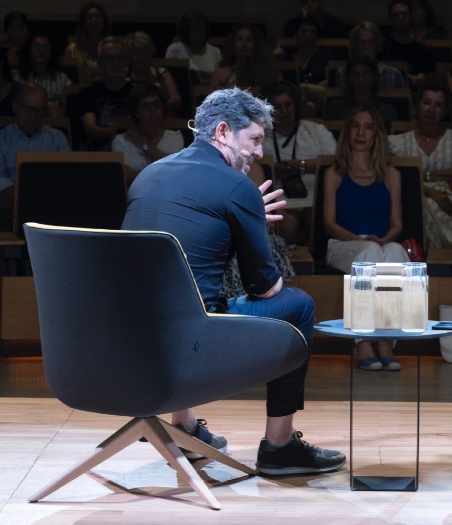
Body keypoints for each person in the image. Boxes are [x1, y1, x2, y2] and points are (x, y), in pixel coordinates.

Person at [122, 86, 346, 476]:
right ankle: (278, 446)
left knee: (184, 299)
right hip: (192, 348)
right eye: (255, 140)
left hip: (127, 348)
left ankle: (185, 428)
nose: (260, 153)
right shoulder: (236, 187)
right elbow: (266, 289)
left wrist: (243, 211)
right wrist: (250, 215)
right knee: (298, 305)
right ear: (223, 132)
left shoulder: (148, 174)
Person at [322, 104, 409, 371]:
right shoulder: (335, 173)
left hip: (379, 243)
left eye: (368, 127)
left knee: (395, 252)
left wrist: (382, 240)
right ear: (348, 132)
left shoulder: (391, 175)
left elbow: (397, 225)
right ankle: (362, 341)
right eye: (356, 126)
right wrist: (361, 241)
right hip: (342, 244)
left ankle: (385, 339)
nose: (361, 132)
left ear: (376, 134)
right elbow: (329, 224)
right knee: (370, 255)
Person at [388, 77, 452, 249]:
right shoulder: (398, 142)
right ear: (417, 106)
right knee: (423, 204)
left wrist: (424, 175)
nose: (431, 109)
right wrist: (429, 191)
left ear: (445, 110)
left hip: (449, 197)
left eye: (438, 105)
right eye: (427, 102)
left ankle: (449, 258)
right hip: (413, 195)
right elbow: (398, 176)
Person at [257, 80, 336, 245]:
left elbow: (335, 164)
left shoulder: (316, 131)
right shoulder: (260, 137)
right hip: (281, 198)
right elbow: (253, 169)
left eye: (288, 104)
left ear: (296, 105)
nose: (284, 111)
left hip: (315, 197)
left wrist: (300, 165)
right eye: (278, 107)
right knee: (285, 224)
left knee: (317, 219)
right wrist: (275, 171)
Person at [0, 83, 69, 232]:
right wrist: (25, 200)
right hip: (13, 200)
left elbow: (67, 174)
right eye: (27, 110)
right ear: (16, 107)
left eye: (38, 111)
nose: (33, 116)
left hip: (52, 199)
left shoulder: (57, 138)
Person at [111, 82, 183, 184]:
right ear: (136, 112)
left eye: (156, 104)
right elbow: (125, 176)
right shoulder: (122, 141)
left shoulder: (175, 137)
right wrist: (164, 172)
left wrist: (145, 146)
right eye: (145, 106)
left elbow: (177, 170)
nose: (152, 110)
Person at [75, 36, 132, 151]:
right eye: (110, 58)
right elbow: (91, 129)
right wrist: (120, 134)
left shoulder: (137, 93)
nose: (115, 63)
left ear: (126, 61)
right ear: (100, 62)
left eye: (120, 58)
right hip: (98, 153)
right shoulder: (87, 94)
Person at [323, 54, 399, 130]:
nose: (361, 79)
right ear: (349, 78)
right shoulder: (335, 108)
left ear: (374, 76)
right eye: (355, 74)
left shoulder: (388, 112)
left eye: (365, 73)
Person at [12, 33, 72, 116]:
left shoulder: (63, 80)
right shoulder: (15, 77)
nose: (41, 50)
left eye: (45, 47)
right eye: (37, 46)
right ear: (29, 50)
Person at [333, 22, 406, 90]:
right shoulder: (343, 73)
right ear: (355, 46)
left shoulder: (393, 74)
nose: (366, 47)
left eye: (371, 42)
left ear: (377, 45)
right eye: (362, 43)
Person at [379, 0, 436, 87]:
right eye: (396, 15)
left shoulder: (424, 52)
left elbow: (424, 79)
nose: (400, 18)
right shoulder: (381, 48)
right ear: (390, 19)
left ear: (411, 16)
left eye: (404, 14)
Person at [210, 24, 281, 91]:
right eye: (239, 39)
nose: (244, 44)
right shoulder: (220, 74)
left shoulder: (270, 72)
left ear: (256, 44)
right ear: (233, 43)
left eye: (249, 39)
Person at [125, 31, 181, 115]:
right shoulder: (123, 75)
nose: (141, 57)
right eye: (136, 53)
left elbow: (175, 99)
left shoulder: (162, 73)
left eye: (145, 52)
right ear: (129, 55)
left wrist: (155, 108)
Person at [165, 10, 223, 86]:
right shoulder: (175, 49)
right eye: (193, 31)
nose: (198, 35)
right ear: (186, 32)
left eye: (201, 31)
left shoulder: (215, 51)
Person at [63, 2, 109, 85]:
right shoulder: (73, 49)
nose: (94, 20)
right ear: (83, 22)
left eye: (98, 17)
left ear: (104, 22)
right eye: (89, 17)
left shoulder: (111, 49)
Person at [282, 0, 349, 40]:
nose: (309, 4)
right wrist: (303, 20)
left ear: (320, 1)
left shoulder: (335, 25)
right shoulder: (291, 25)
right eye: (305, 0)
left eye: (313, 0)